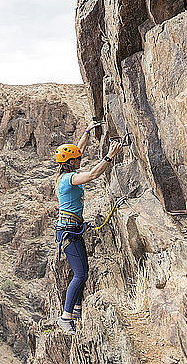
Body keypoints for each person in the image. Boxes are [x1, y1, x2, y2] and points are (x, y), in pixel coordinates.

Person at [54, 121, 123, 335]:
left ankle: (75, 308)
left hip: (71, 229)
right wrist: (110, 156)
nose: (80, 159)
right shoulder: (69, 179)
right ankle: (65, 317)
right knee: (80, 274)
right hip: (69, 232)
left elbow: (78, 150)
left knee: (82, 271)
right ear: (71, 162)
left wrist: (86, 132)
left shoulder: (66, 172)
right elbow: (93, 175)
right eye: (77, 159)